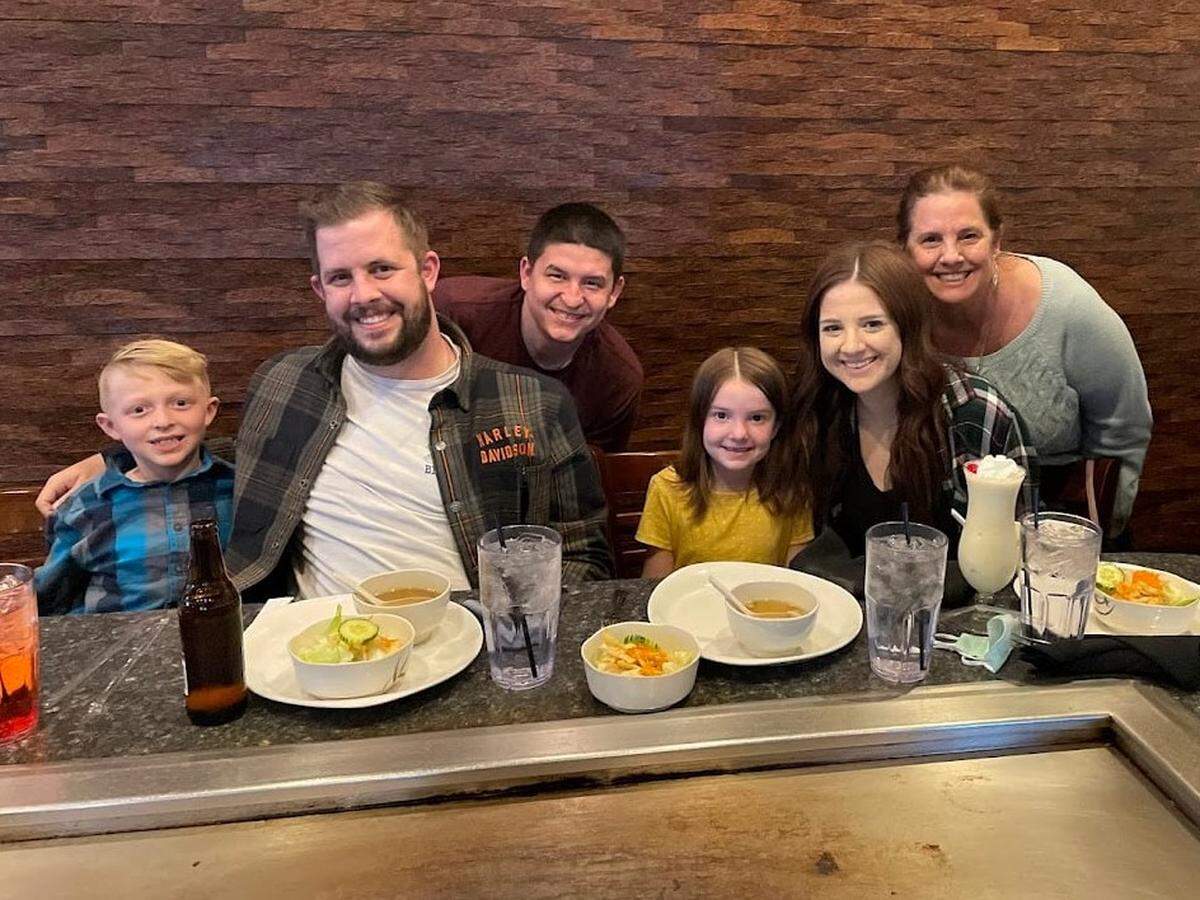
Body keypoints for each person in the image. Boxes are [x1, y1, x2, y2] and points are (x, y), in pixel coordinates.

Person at [35, 182, 612, 599]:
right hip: (308, 652)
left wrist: (521, 639)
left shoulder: (531, 403)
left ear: (428, 271)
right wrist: (114, 459)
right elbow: (242, 458)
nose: (363, 294)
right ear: (320, 289)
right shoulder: (285, 383)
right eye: (341, 277)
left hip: (472, 647)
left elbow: (585, 553)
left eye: (383, 269)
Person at [897, 164, 1151, 536]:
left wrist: (1097, 540)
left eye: (969, 236)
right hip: (936, 528)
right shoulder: (896, 317)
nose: (951, 256)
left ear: (996, 240)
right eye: (930, 240)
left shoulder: (1068, 304)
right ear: (905, 247)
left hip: (1054, 522)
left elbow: (1124, 430)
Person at [778, 241, 1037, 563]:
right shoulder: (819, 411)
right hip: (851, 607)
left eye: (872, 324)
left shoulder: (974, 412)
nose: (851, 345)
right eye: (832, 328)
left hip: (962, 608)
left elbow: (1020, 552)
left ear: (908, 326)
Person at [34, 339, 233, 614]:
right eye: (139, 410)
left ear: (209, 410)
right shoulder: (85, 506)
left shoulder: (240, 489)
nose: (162, 421)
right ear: (111, 426)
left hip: (224, 642)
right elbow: (49, 602)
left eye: (180, 403)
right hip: (113, 647)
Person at [432, 202, 643, 451]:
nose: (572, 298)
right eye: (557, 276)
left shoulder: (617, 377)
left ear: (614, 292)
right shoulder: (453, 314)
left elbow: (590, 476)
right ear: (527, 273)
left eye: (592, 283)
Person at [636, 347, 812, 578]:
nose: (739, 433)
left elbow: (797, 582)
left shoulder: (792, 489)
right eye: (721, 415)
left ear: (776, 426)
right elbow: (655, 585)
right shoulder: (667, 487)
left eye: (757, 418)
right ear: (700, 420)